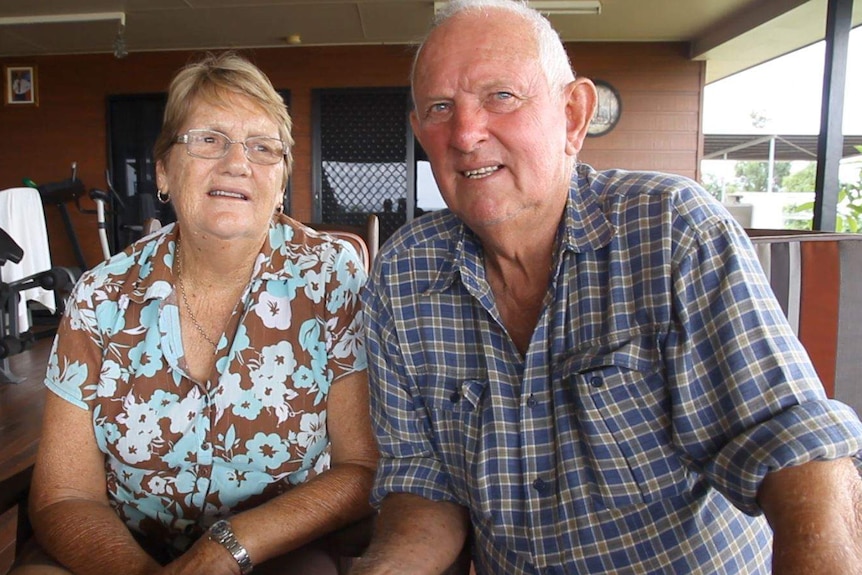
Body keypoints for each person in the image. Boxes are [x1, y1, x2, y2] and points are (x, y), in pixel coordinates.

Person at [352, 1, 862, 573]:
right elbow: (424, 482)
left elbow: (795, 452)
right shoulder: (402, 274)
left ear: (573, 116)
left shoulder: (671, 228)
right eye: (441, 108)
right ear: (422, 132)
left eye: (501, 97)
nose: (466, 134)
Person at [13, 52, 378, 575]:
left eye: (262, 147)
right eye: (208, 139)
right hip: (119, 549)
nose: (236, 162)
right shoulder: (101, 296)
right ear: (163, 169)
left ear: (280, 183)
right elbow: (64, 493)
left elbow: (360, 467)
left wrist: (228, 548)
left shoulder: (332, 279)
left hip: (276, 548)